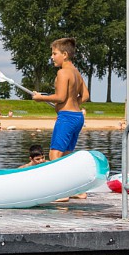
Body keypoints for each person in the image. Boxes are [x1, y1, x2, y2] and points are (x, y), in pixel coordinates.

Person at [33, 38, 89, 200]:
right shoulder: (76, 72)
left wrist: (40, 97)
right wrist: (73, 105)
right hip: (77, 117)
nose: (52, 57)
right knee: (66, 155)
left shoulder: (63, 72)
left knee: (54, 153)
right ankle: (77, 190)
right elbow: (85, 96)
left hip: (66, 118)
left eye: (54, 53)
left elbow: (60, 96)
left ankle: (60, 193)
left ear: (65, 54)